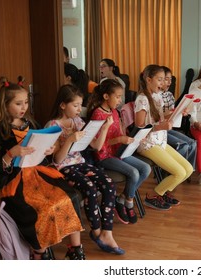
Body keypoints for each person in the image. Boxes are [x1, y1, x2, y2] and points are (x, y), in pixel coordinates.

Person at [0, 76, 85, 260]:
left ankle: (76, 249)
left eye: (26, 102)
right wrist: (11, 153)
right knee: (43, 208)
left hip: (39, 171)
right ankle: (39, 253)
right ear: (5, 104)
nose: (24, 107)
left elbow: (43, 152)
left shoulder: (31, 123)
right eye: (18, 104)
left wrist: (48, 149)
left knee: (70, 196)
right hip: (15, 179)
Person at [47, 84, 125, 255]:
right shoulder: (52, 125)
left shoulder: (79, 122)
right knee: (89, 188)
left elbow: (97, 146)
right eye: (75, 105)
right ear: (62, 105)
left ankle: (107, 232)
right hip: (63, 167)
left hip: (80, 163)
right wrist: (68, 140)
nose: (78, 109)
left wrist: (104, 127)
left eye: (79, 105)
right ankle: (97, 232)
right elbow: (57, 159)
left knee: (109, 184)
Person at [87, 79, 151, 223]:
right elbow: (98, 146)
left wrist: (132, 139)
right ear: (106, 96)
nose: (120, 100)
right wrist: (119, 140)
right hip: (105, 156)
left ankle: (121, 198)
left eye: (121, 97)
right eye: (117, 96)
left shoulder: (114, 112)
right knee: (134, 173)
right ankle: (128, 202)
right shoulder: (97, 115)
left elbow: (120, 133)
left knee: (145, 169)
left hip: (119, 152)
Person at [135, 64, 193, 210]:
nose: (163, 83)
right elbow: (139, 127)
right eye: (159, 80)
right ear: (148, 79)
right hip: (147, 144)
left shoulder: (157, 96)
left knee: (188, 169)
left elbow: (160, 116)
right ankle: (154, 195)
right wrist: (160, 126)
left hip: (160, 140)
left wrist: (178, 112)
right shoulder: (142, 99)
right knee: (179, 172)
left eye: (163, 80)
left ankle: (162, 193)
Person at [161, 66, 197, 170]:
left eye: (170, 79)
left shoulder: (169, 95)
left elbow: (173, 117)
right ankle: (173, 170)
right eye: (166, 79)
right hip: (159, 130)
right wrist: (173, 113)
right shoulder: (154, 96)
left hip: (169, 128)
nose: (169, 82)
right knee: (183, 145)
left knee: (193, 143)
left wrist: (182, 113)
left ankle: (188, 170)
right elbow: (159, 118)